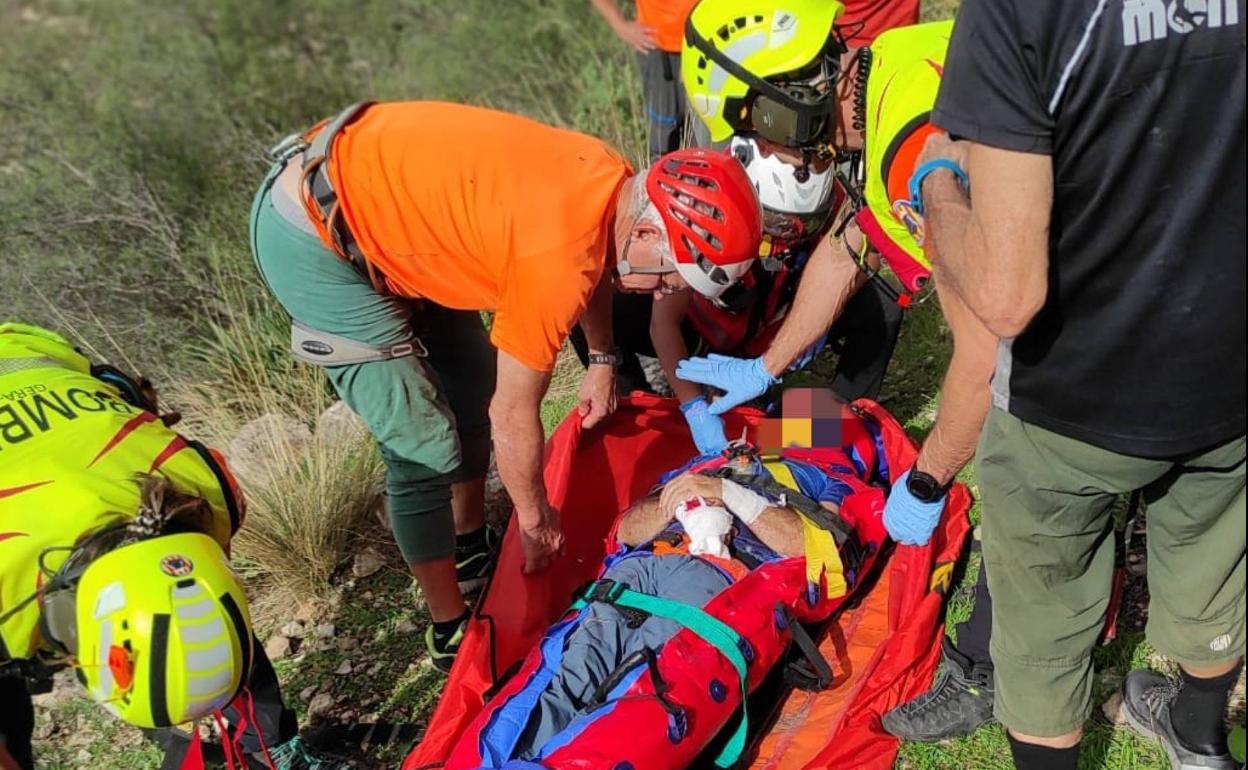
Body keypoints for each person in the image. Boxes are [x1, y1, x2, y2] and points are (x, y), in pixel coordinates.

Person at [250, 101, 762, 671]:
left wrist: (600, 357)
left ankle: (469, 543)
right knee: (423, 446)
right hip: (318, 234)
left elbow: (599, 259)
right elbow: (513, 414)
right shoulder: (554, 258)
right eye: (668, 274)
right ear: (646, 228)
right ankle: (448, 627)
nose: (661, 290)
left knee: (469, 385)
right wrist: (537, 520)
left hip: (401, 213)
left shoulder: (613, 181)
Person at [913, 2, 1245, 769]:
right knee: (1214, 564)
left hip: (1076, 398)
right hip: (1228, 371)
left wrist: (938, 188)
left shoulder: (1013, 12)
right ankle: (1199, 739)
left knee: (1042, 624)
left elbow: (1006, 295)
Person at [0, 323, 345, 770]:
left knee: (193, 600)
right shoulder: (201, 485)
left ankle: (273, 749)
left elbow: (198, 590)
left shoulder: (202, 485)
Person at [588, 0, 700, 161]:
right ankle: (663, 184)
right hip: (660, 49)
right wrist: (620, 25)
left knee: (709, 134)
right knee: (664, 139)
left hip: (711, 41)